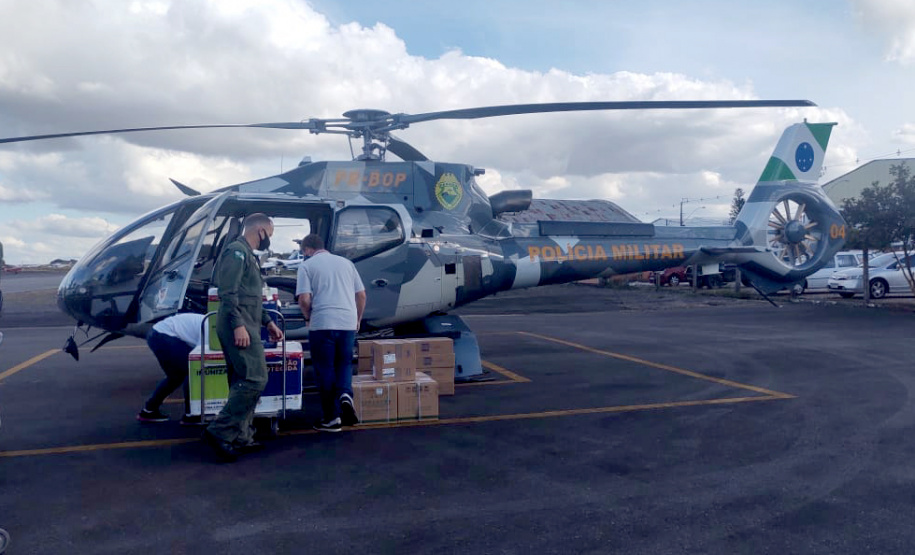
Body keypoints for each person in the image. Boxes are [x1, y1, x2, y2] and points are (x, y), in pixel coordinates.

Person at [203, 213, 284, 462]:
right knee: (255, 379)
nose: (268, 240)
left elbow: (251, 298)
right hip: (238, 325)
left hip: (248, 322)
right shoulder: (236, 252)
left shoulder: (247, 255)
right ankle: (221, 430)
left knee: (242, 380)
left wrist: (268, 322)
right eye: (268, 235)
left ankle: (242, 436)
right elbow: (228, 294)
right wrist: (238, 326)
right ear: (259, 230)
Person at [297, 234, 365, 432]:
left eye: (304, 253)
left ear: (308, 250)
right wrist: (358, 319)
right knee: (344, 363)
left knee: (325, 368)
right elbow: (361, 295)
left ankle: (331, 418)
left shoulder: (307, 266)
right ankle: (345, 395)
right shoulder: (347, 263)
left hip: (323, 323)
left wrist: (308, 317)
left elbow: (304, 299)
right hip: (347, 323)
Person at [136, 312, 205, 423]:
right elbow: (203, 358)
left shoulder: (213, 323)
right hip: (164, 335)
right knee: (192, 372)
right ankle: (192, 415)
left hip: (157, 334)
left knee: (175, 377)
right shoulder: (212, 330)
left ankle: (149, 411)